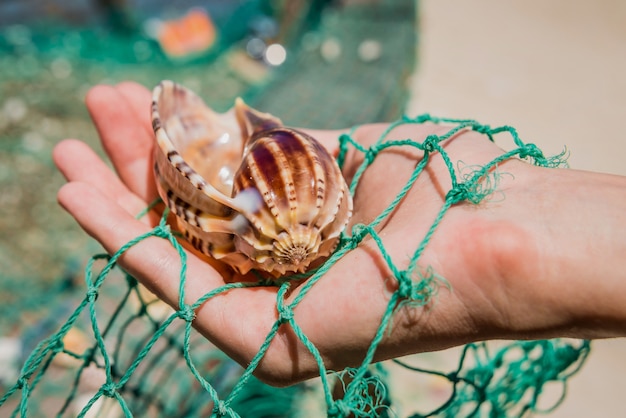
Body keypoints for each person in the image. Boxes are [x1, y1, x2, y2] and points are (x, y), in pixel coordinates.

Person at [53, 82, 626, 387]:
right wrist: (515, 228)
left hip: (274, 234)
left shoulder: (249, 225)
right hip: (312, 223)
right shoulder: (325, 211)